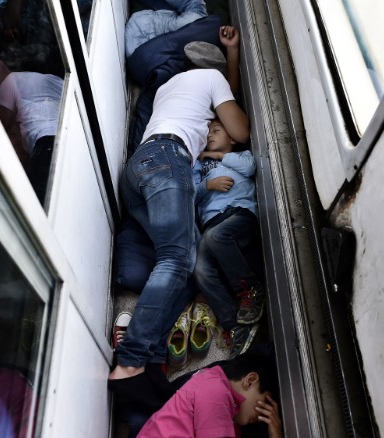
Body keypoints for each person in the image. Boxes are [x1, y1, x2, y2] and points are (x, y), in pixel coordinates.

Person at [108, 25, 249, 408]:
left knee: (184, 260)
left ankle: (150, 354)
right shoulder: (212, 79)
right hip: (169, 162)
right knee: (175, 260)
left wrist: (231, 54)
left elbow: (221, 99)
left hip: (137, 171)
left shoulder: (171, 88)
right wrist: (231, 66)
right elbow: (240, 127)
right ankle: (131, 361)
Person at [192, 117, 266, 359]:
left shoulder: (240, 156)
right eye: (207, 133)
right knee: (200, 269)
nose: (210, 136)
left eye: (216, 131)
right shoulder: (198, 166)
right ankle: (234, 327)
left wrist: (219, 157)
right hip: (212, 222)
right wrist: (208, 185)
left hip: (239, 213)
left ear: (232, 138)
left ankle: (251, 290)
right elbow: (190, 195)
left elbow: (251, 168)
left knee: (215, 237)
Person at [136, 351, 283, 438]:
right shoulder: (216, 390)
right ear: (250, 381)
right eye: (265, 401)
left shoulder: (230, 417)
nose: (261, 417)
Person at [0, 63, 64, 205]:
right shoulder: (59, 81)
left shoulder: (12, 80)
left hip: (46, 145)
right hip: (69, 140)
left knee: (38, 206)